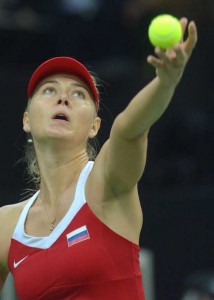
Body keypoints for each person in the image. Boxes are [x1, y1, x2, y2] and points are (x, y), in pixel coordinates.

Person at [0, 17, 197, 299]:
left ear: (94, 126)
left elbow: (129, 130)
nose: (63, 98)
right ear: (27, 120)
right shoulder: (6, 226)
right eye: (49, 90)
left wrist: (165, 84)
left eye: (78, 94)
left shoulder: (105, 183)